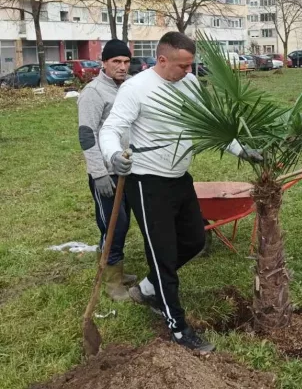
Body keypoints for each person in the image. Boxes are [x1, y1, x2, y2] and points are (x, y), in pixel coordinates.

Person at [99, 32, 261, 353]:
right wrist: (113, 155)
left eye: (191, 65)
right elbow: (111, 129)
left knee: (194, 241)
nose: (188, 71)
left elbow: (209, 124)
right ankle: (178, 328)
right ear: (162, 60)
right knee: (163, 257)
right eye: (183, 66)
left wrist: (242, 151)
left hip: (179, 178)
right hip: (146, 182)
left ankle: (147, 288)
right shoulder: (136, 89)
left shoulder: (188, 84)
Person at [78, 39, 136, 301]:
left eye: (126, 61)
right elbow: (87, 135)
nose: (122, 67)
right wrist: (98, 173)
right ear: (104, 63)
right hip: (106, 173)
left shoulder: (130, 87)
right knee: (114, 225)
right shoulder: (94, 92)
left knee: (124, 221)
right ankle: (112, 283)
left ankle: (115, 270)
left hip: (128, 169)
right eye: (116, 62)